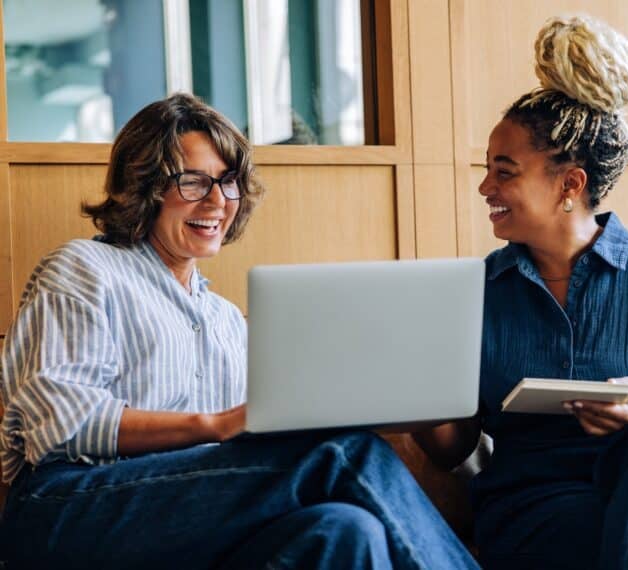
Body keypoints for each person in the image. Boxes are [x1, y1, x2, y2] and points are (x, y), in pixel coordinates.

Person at [0, 93, 478, 570]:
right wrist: (216, 425)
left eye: (229, 183)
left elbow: (245, 461)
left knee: (347, 531)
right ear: (141, 186)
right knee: (346, 456)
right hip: (64, 509)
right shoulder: (84, 268)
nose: (217, 201)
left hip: (187, 519)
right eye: (194, 182)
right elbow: (61, 428)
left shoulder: (227, 320)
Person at [413, 14, 628, 570]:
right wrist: (410, 382)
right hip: (540, 511)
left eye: (504, 172)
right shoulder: (475, 290)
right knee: (616, 535)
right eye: (487, 171)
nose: (486, 188)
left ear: (570, 185)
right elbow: (452, 448)